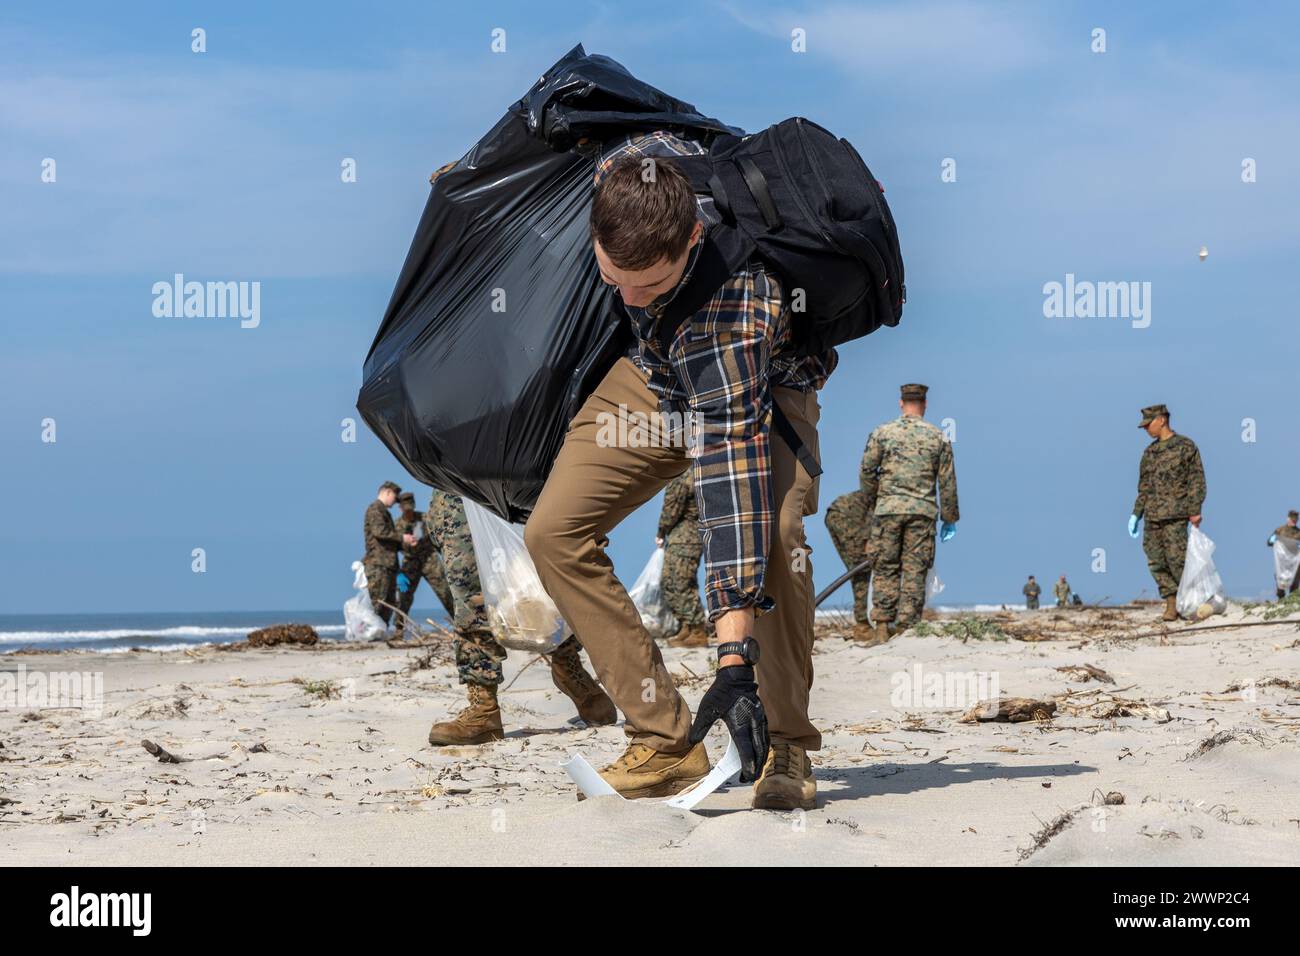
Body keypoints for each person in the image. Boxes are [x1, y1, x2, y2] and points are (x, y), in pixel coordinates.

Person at [523, 131, 831, 810]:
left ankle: (785, 740)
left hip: (759, 389)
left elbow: (732, 490)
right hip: (656, 379)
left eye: (652, 282)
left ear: (692, 237)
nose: (631, 297)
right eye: (614, 276)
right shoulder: (619, 168)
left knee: (776, 535)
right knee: (554, 531)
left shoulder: (732, 308)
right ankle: (667, 740)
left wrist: (732, 663)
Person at [424, 490, 616, 745]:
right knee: (472, 597)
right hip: (458, 489)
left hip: (520, 481)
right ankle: (483, 709)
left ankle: (568, 668)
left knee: (541, 586)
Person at [859, 384, 960, 642]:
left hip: (887, 510)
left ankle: (882, 625)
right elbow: (947, 482)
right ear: (925, 404)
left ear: (901, 403)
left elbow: (867, 471)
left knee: (885, 566)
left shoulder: (883, 433)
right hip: (922, 511)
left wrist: (875, 499)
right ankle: (906, 627)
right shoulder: (938, 436)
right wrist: (949, 518)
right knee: (915, 569)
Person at [1128, 404, 1206, 621]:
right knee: (1155, 561)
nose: (1146, 429)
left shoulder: (1185, 447)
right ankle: (1171, 602)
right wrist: (1136, 514)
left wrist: (1195, 509)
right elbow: (1143, 487)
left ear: (1161, 420)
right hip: (1152, 516)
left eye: (1148, 424)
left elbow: (1196, 480)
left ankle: (1188, 602)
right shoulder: (1149, 453)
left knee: (1177, 560)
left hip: (1175, 514)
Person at [656, 471, 712, 648]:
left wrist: (661, 530)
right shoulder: (692, 470)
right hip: (682, 537)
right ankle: (686, 626)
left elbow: (672, 506)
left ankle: (697, 631)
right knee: (670, 582)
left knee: (680, 582)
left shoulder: (684, 473)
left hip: (686, 537)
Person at [394, 491, 455, 637]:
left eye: (411, 509)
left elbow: (438, 537)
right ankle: (398, 630)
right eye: (406, 509)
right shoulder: (397, 525)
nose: (409, 512)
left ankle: (462, 626)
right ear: (401, 508)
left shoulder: (425, 519)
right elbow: (393, 546)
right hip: (410, 562)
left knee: (446, 593)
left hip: (430, 559)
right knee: (403, 596)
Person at [363, 481, 415, 627]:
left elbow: (389, 540)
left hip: (388, 564)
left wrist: (405, 542)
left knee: (389, 602)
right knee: (379, 601)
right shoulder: (375, 509)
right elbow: (379, 532)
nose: (395, 501)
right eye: (395, 496)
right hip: (378, 564)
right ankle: (372, 632)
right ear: (387, 492)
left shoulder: (384, 511)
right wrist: (402, 537)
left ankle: (380, 630)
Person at [825, 490, 873, 635]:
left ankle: (866, 622)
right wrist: (867, 540)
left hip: (839, 514)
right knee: (862, 569)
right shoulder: (894, 499)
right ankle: (864, 626)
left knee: (859, 567)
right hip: (845, 516)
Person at [1267, 509, 1300, 599]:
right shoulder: (1280, 530)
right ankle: (1281, 601)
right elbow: (1270, 542)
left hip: (1295, 565)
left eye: (1295, 519)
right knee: (1281, 587)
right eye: (1292, 519)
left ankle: (1291, 604)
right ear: (1287, 518)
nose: (1294, 521)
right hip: (1282, 563)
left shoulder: (1299, 533)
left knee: (1294, 588)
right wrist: (1277, 541)